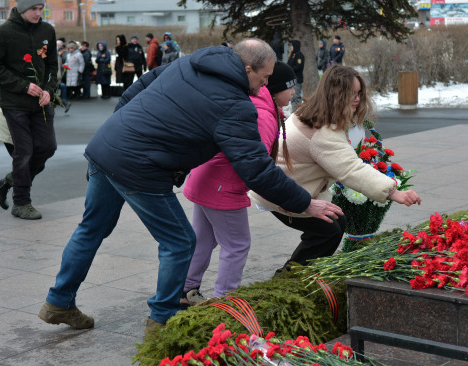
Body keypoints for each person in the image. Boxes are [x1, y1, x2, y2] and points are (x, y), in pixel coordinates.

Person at [38, 39, 343, 335]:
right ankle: (163, 319)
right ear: (248, 68)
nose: (264, 86)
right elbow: (257, 170)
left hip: (108, 145)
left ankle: (59, 301)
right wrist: (306, 202)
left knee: (90, 229)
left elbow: (137, 88)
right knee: (180, 241)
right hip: (140, 166)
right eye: (263, 78)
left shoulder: (188, 63)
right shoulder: (235, 105)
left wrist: (123, 131)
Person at [250, 65, 421, 275]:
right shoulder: (322, 131)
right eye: (350, 94)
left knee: (334, 222)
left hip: (287, 188)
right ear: (335, 94)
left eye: (359, 93)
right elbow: (350, 169)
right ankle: (292, 277)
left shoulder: (313, 111)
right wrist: (394, 192)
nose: (357, 99)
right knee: (328, 229)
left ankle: (302, 272)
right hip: (282, 195)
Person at [180, 61, 297, 306]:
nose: (294, 92)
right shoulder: (263, 115)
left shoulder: (252, 102)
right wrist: (283, 198)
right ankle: (225, 303)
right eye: (290, 87)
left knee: (203, 239)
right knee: (237, 245)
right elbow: (257, 165)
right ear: (274, 90)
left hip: (205, 178)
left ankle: (185, 290)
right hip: (222, 186)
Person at [0, 0, 58, 220]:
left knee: (48, 146)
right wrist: (23, 86)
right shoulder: (4, 32)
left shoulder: (47, 30)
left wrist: (49, 89)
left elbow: (52, 65)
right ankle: (21, 203)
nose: (38, 13)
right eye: (34, 9)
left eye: (41, 9)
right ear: (22, 9)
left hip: (41, 102)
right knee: (25, 151)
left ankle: (9, 182)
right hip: (14, 104)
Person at [287, 40, 304, 110]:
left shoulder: (299, 55)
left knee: (297, 97)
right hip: (292, 79)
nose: (291, 47)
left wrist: (290, 69)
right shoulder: (292, 54)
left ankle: (298, 112)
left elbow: (298, 66)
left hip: (297, 79)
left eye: (292, 45)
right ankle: (294, 111)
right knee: (292, 97)